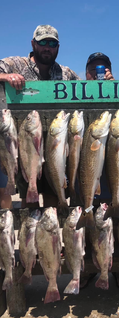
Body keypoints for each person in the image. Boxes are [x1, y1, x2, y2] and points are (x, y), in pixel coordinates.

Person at [0, 24, 80, 208]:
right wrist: (5, 77)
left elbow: (88, 91)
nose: (47, 47)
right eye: (42, 42)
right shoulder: (15, 64)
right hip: (26, 145)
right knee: (30, 200)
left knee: (53, 195)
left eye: (52, 43)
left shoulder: (66, 73)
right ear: (33, 44)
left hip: (56, 146)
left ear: (58, 48)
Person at [80, 53, 119, 289]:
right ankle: (93, 266)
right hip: (90, 171)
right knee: (91, 215)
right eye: (92, 69)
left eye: (102, 68)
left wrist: (114, 87)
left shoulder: (117, 91)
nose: (96, 73)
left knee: (117, 217)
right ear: (86, 72)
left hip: (114, 168)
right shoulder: (77, 93)